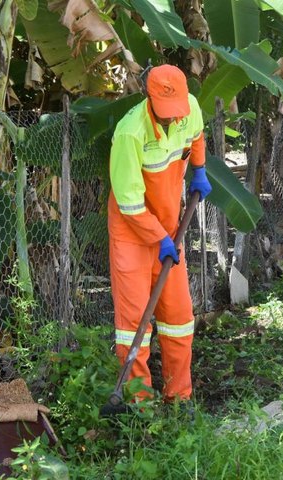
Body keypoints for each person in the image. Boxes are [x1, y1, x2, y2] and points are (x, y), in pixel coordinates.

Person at [107, 64, 212, 402]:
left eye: (175, 112)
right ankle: (140, 406)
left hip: (168, 228)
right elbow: (129, 203)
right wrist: (160, 239)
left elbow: (196, 136)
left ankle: (178, 398)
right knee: (134, 322)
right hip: (132, 233)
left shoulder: (188, 109)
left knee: (179, 317)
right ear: (149, 99)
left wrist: (199, 169)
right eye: (164, 113)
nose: (171, 119)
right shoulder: (130, 133)